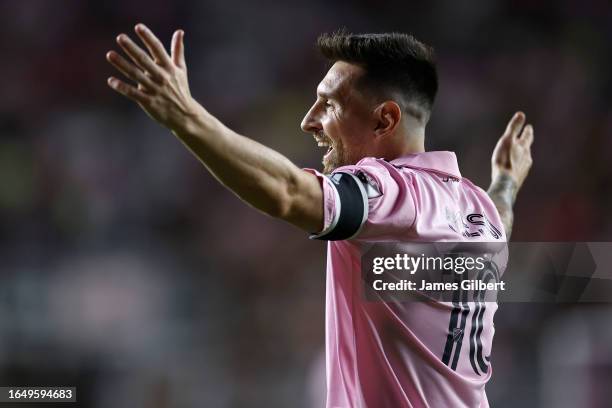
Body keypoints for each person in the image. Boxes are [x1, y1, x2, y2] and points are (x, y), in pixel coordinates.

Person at [106, 25, 533, 408]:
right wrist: (506, 181)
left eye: (328, 104)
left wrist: (186, 117)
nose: (309, 121)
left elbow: (289, 194)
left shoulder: (393, 192)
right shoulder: (477, 208)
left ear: (385, 119)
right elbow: (502, 220)